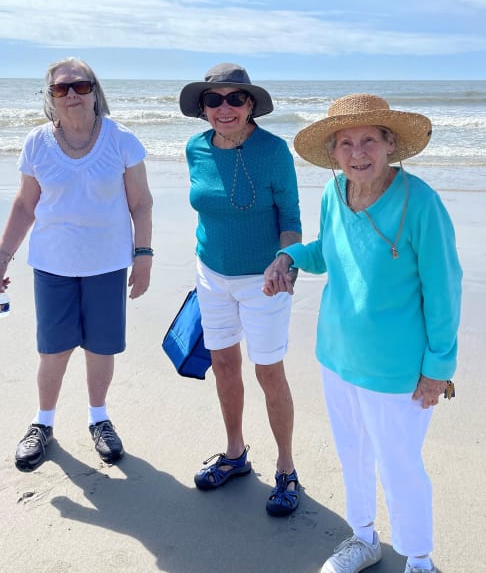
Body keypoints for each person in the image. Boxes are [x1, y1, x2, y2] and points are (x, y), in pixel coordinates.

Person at [263, 94, 462, 571]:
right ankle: (364, 538)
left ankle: (418, 558)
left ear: (390, 145)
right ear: (333, 152)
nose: (358, 153)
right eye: (346, 143)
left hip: (397, 369)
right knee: (352, 453)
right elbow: (328, 253)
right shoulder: (335, 194)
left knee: (401, 468)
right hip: (337, 355)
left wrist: (438, 370)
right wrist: (289, 257)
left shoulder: (422, 203)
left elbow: (444, 291)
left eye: (369, 140)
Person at [0, 57, 153, 471]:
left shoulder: (121, 139)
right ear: (50, 98)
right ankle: (42, 424)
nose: (71, 94)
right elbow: (24, 205)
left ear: (94, 91)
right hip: (53, 264)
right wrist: (2, 256)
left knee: (101, 347)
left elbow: (141, 203)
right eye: (61, 89)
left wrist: (144, 255)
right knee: (54, 348)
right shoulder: (36, 142)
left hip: (108, 263)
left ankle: (98, 418)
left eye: (80, 86)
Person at [178, 63, 302, 516]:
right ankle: (235, 454)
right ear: (203, 107)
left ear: (251, 105)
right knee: (224, 365)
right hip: (210, 276)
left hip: (263, 281)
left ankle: (286, 469)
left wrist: (285, 261)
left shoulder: (273, 150)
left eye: (235, 98)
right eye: (214, 99)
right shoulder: (195, 147)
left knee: (269, 372)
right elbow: (205, 211)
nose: (224, 108)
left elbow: (290, 217)